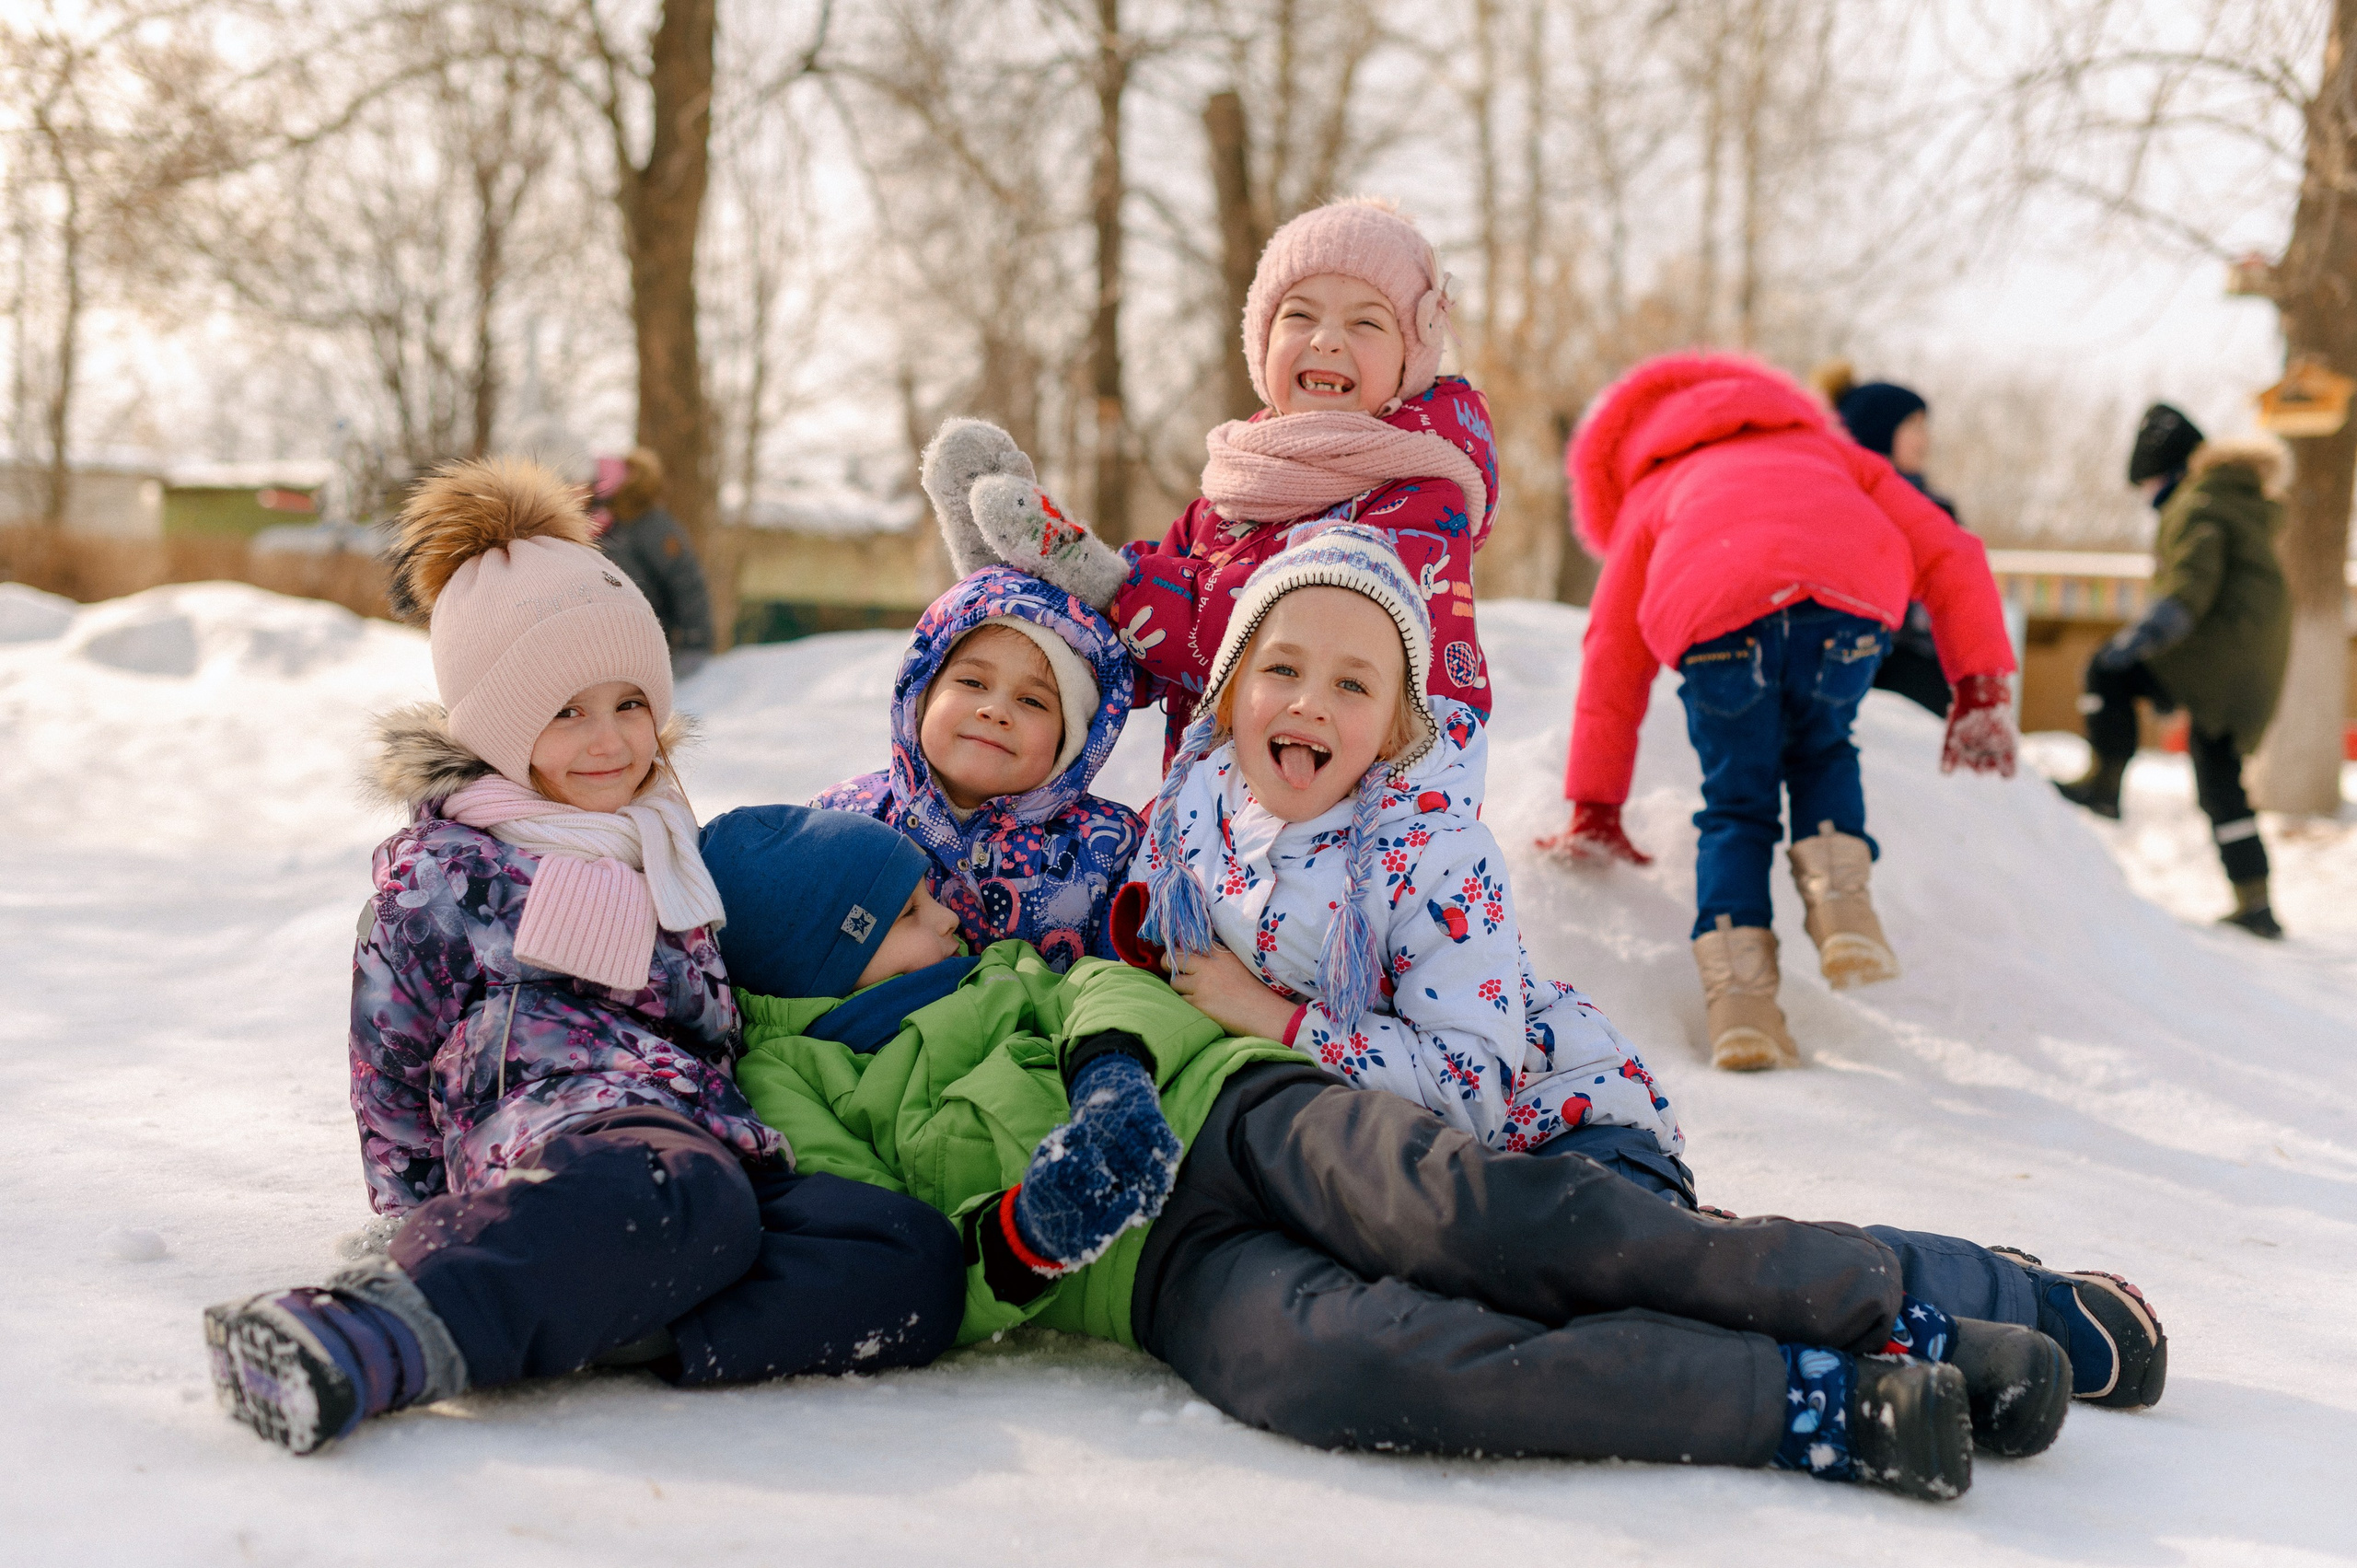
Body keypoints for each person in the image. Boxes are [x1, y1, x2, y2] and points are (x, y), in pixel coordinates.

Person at [704, 807, 2169, 1504]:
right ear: (827, 949)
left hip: (1244, 1108)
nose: (950, 918)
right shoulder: (790, 1086)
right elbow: (897, 1263)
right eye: (907, 912)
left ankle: (1909, 1303)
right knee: (1340, 1363)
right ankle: (1804, 1399)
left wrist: (1111, 1078)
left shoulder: (989, 970)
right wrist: (1032, 1234)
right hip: (1147, 1275)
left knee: (1486, 1221)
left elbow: (1098, 982)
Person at [202, 459, 966, 1454]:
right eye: (565, 712)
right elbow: (386, 1060)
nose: (609, 740)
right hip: (556, 1135)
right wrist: (412, 1218)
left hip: (703, 1145)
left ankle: (603, 1306)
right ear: (498, 722)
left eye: (630, 703)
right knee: (681, 1197)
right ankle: (380, 1328)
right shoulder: (449, 871)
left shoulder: (666, 842)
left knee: (907, 1252)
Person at [1129, 524, 1681, 1161]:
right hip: (1374, 1157)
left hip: (1562, 1128)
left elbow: (1470, 1094)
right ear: (1230, 691)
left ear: (1394, 732)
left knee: (1576, 1223)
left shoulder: (1438, 856)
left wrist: (1277, 1019)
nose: (1309, 702)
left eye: (1352, 684)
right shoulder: (1192, 803)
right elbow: (1145, 945)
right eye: (1282, 668)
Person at [1538, 354, 2019, 1071]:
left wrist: (1596, 802)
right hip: (1847, 606)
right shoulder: (1835, 453)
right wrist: (1979, 686)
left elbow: (1613, 653)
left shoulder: (1658, 483)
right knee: (1825, 748)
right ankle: (1844, 909)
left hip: (1719, 624)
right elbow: (1951, 550)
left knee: (1737, 808)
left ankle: (1741, 1006)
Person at [922, 196, 1500, 765]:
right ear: (1262, 343)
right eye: (1299, 315)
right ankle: (1005, 594)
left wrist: (1114, 586)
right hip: (1207, 810)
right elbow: (1134, 654)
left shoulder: (1421, 501)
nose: (1325, 339)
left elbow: (1297, 638)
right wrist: (1056, 585)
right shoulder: (1231, 502)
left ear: (1410, 360)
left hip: (1349, 811)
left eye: (1366, 322)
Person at [811, 565, 1141, 970]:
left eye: (1032, 701)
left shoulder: (1111, 849)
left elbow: (1133, 983)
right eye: (973, 683)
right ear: (922, 692)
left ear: (1070, 742)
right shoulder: (845, 820)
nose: (995, 710)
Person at [2056, 406, 2293, 939]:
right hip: (2247, 668)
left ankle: (2103, 782)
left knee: (2107, 669)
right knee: (2220, 780)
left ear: (2174, 471)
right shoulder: (2238, 502)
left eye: (2149, 483)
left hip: (2213, 656)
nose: (2148, 497)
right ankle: (2255, 901)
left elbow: (2191, 583)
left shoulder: (2200, 503)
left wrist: (2142, 639)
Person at [1814, 360, 1967, 716]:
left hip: (1922, 662)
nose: (1925, 440)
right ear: (1879, 430)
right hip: (1854, 657)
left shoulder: (1936, 507)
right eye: (1914, 426)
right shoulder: (1837, 502)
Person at [598, 446, 715, 679]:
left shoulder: (652, 525)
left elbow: (686, 581)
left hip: (646, 644)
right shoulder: (601, 523)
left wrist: (695, 640)